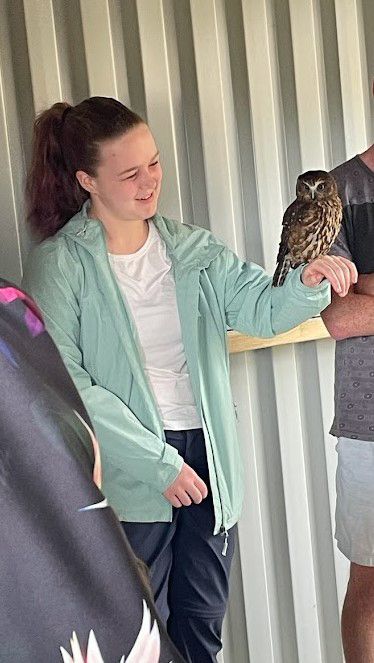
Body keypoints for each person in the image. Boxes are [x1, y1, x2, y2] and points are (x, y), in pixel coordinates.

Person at [22, 96, 356, 663]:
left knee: (201, 625)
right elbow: (67, 386)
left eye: (153, 162)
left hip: (207, 460)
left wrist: (308, 282)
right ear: (86, 180)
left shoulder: (193, 249)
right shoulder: (61, 265)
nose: (150, 181)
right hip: (130, 473)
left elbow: (259, 309)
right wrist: (157, 464)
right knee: (136, 635)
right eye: (129, 173)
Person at [0, 278, 184, 663]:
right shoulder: (41, 283)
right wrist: (161, 465)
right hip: (128, 493)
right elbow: (75, 420)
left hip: (173, 476)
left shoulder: (11, 309)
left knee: (196, 614)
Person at [321, 140, 374, 663]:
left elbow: (358, 304)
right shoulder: (335, 191)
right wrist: (354, 300)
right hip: (369, 420)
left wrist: (366, 287)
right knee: (371, 579)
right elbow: (340, 317)